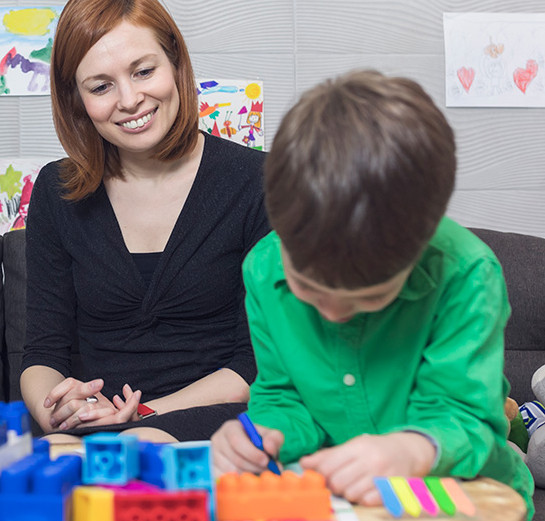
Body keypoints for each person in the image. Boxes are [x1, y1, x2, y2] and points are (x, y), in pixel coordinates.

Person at [210, 70, 534, 518]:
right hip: (345, 500)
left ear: (418, 250)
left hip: (465, 493)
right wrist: (265, 433)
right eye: (306, 287)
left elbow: (466, 417)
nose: (333, 313)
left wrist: (412, 450)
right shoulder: (263, 269)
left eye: (368, 296)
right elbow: (283, 396)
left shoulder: (467, 273)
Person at [20, 0, 270, 443]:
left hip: (221, 418)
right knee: (55, 455)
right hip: (97, 427)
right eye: (101, 86)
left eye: (143, 71)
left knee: (139, 446)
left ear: (175, 63)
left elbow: (255, 363)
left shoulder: (258, 180)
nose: (130, 100)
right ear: (77, 99)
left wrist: (144, 418)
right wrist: (60, 412)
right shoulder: (57, 189)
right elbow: (43, 352)